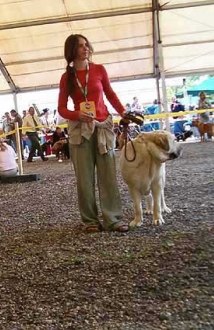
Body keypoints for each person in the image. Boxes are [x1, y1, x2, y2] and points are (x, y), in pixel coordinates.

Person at [57, 34, 128, 233]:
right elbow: (62, 108)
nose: (85, 48)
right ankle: (89, 221)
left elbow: (110, 94)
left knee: (108, 176)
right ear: (72, 51)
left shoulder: (99, 70)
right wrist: (77, 114)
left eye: (86, 44)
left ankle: (113, 219)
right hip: (80, 131)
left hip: (103, 126)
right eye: (80, 46)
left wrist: (124, 113)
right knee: (84, 178)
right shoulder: (66, 77)